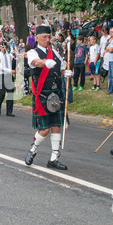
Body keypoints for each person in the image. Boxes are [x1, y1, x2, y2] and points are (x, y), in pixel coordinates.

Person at [24, 25, 72, 170]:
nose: (47, 40)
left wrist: (67, 73)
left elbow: (61, 69)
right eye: (44, 37)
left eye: (48, 37)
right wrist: (45, 62)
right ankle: (33, 150)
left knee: (56, 127)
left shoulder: (55, 53)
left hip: (56, 95)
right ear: (37, 37)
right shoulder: (32, 52)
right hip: (42, 95)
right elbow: (35, 63)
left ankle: (54, 158)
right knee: (44, 129)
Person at [0, 42, 16, 117]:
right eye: (2, 47)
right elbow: (1, 67)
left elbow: (13, 61)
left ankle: (9, 111)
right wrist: (10, 71)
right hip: (1, 75)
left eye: (5, 47)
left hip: (9, 76)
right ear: (0, 48)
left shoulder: (8, 55)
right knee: (2, 93)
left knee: (10, 93)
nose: (4, 48)